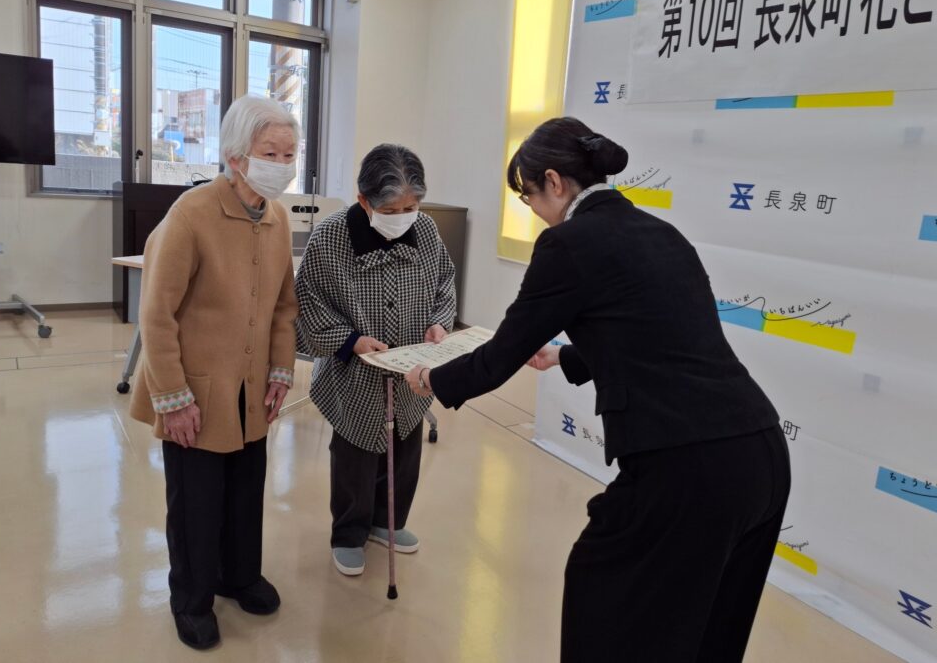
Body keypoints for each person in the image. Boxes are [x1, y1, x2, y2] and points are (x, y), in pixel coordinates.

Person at [405, 117, 790, 663]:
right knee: (710, 626)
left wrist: (431, 377)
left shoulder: (568, 243)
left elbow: (498, 356)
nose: (534, 211)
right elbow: (659, 331)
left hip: (688, 466)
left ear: (556, 182)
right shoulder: (661, 232)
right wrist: (564, 355)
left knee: (602, 596)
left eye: (530, 197)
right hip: (760, 454)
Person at [129, 95, 300, 650]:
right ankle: (192, 597)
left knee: (247, 490)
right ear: (235, 156)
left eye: (289, 152)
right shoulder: (192, 214)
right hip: (194, 391)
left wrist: (281, 370)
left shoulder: (275, 217)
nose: (282, 161)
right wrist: (172, 398)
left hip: (252, 388)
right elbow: (155, 314)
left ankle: (239, 574)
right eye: (270, 151)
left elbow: (282, 307)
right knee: (197, 502)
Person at [295, 143, 456, 577]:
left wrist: (440, 324)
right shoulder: (330, 237)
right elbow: (308, 301)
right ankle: (348, 533)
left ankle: (387, 523)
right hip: (355, 372)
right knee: (355, 455)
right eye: (392, 207)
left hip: (411, 370)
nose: (405, 214)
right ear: (364, 200)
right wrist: (350, 340)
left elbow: (444, 282)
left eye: (413, 205)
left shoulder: (425, 230)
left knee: (405, 449)